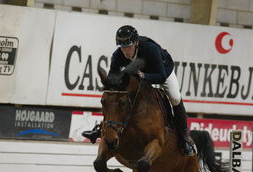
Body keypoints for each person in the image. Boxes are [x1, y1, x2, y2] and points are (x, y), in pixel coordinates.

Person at [82, 25, 196, 156]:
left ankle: (184, 137)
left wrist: (144, 76)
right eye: (122, 47)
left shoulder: (151, 49)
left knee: (175, 97)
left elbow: (161, 76)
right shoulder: (118, 55)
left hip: (162, 71)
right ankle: (99, 129)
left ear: (136, 43)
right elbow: (112, 81)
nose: (125, 51)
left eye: (128, 46)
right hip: (139, 74)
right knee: (115, 98)